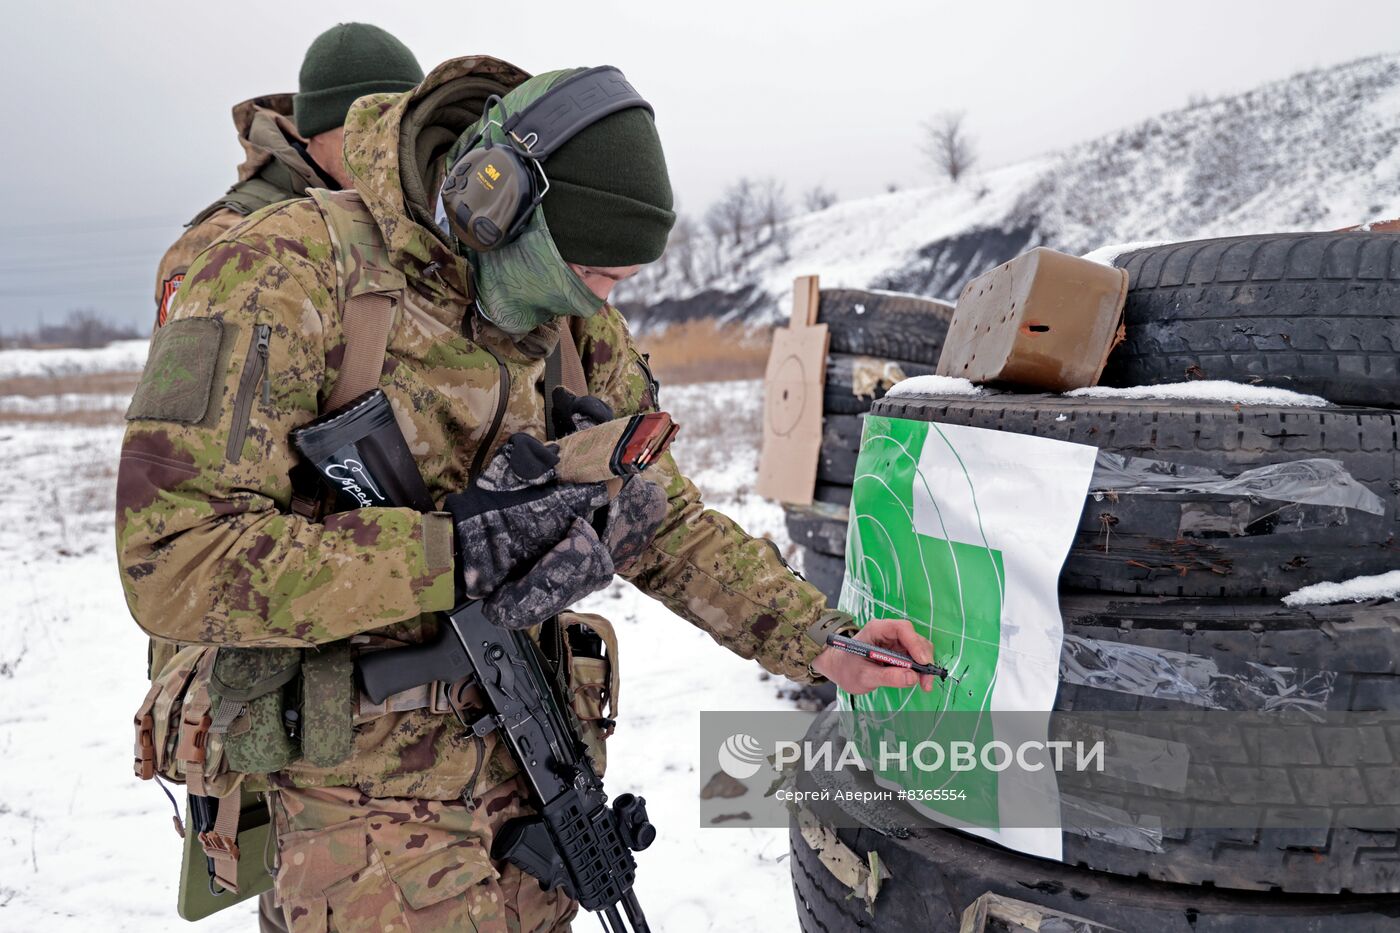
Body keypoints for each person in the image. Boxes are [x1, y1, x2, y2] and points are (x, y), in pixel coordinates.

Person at [117, 55, 934, 931]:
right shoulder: (282, 274)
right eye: (587, 269)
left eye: (613, 281)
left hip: (532, 772)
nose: (597, 299)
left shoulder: (575, 326)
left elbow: (662, 523)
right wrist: (451, 555)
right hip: (357, 827)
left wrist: (818, 637)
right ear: (492, 202)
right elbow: (174, 558)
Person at [151, 22, 422, 330]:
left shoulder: (408, 223)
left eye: (401, 133)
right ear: (314, 131)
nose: (388, 152)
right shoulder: (223, 242)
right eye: (370, 131)